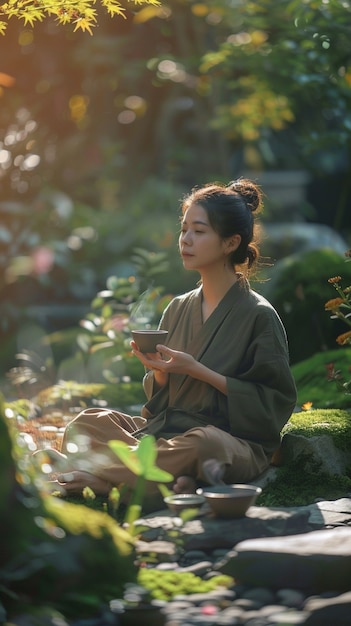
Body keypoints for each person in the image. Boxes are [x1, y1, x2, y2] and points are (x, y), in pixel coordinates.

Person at [42, 178, 297, 501]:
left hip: (229, 441)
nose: (186, 240)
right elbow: (158, 405)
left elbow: (273, 406)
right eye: (184, 229)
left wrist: (197, 370)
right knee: (86, 423)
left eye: (199, 231)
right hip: (168, 435)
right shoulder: (179, 307)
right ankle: (161, 482)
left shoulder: (259, 316)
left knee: (205, 445)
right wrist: (160, 372)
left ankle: (102, 478)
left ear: (231, 243)